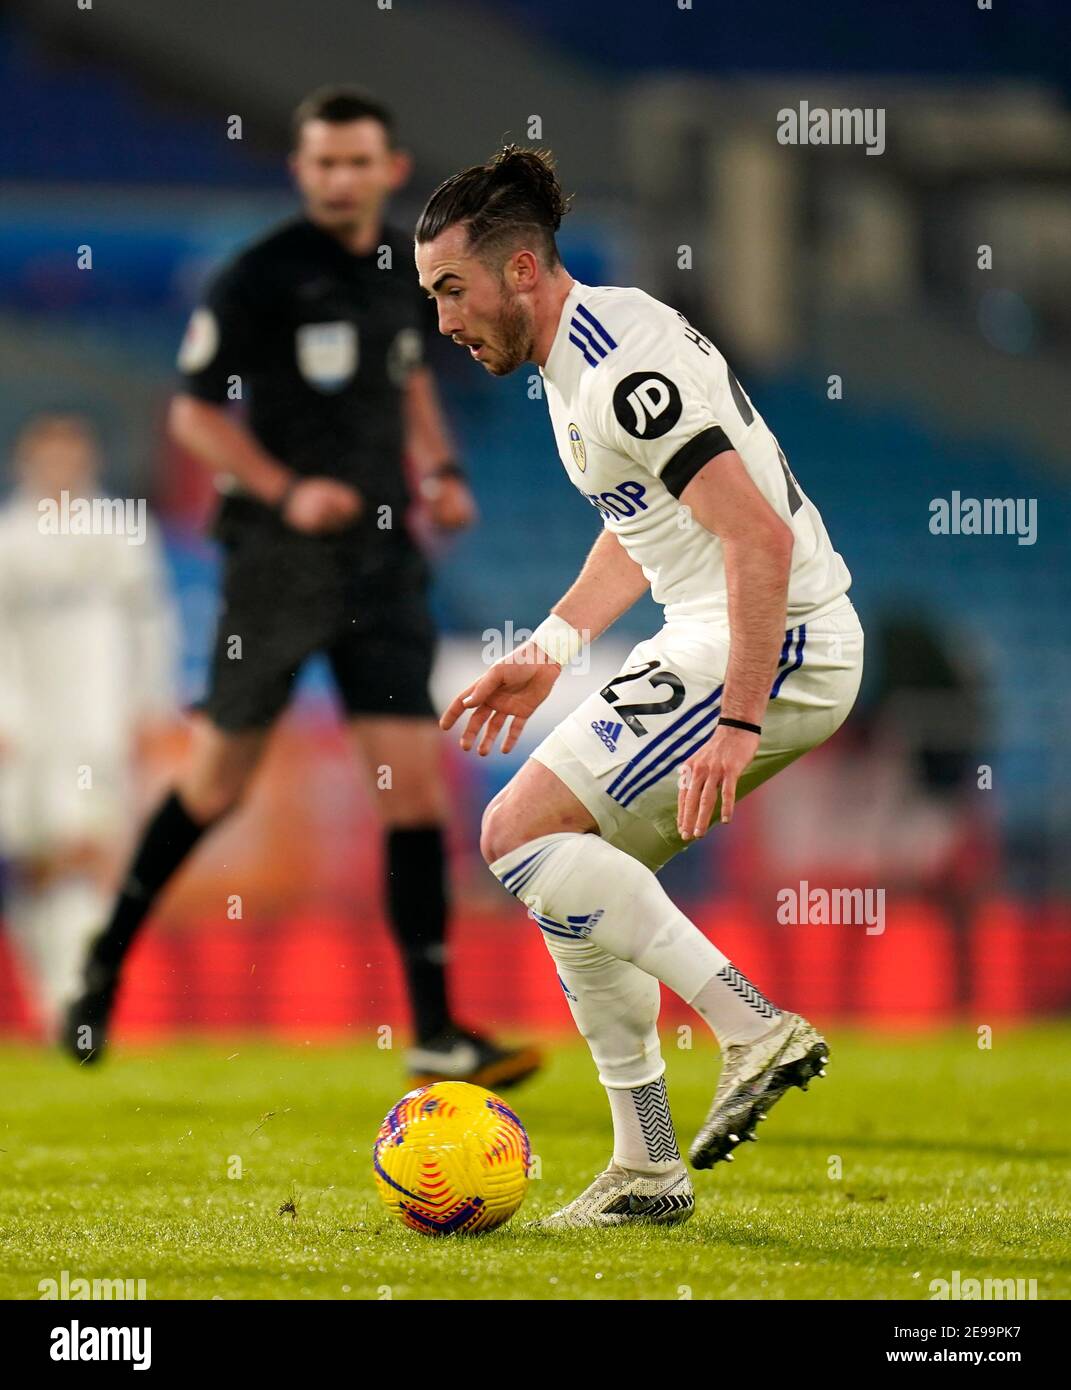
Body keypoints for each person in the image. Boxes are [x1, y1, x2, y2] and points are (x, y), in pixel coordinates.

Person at [414, 146, 865, 1229]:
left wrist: (740, 716)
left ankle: (751, 1028)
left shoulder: (621, 369)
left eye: (450, 291)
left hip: (780, 637)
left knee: (515, 833)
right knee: (564, 870)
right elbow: (647, 524)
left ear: (521, 270)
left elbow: (754, 538)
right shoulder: (582, 353)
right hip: (718, 627)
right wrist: (557, 647)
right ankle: (648, 1167)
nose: (443, 322)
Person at [62, 90, 540, 1090]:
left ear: (389, 170)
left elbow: (410, 376)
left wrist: (440, 472)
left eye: (355, 163)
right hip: (279, 562)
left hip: (380, 564)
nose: (338, 179)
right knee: (219, 781)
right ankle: (103, 967)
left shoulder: (404, 278)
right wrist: (287, 489)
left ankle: (436, 1027)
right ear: (302, 170)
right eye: (321, 163)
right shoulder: (259, 277)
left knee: (410, 787)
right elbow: (195, 416)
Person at [0, 414, 175, 1034]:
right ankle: (51, 994)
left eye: (70, 454)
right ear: (27, 462)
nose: (60, 468)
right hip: (26, 728)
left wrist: (151, 703)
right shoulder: (10, 538)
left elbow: (151, 622)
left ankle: (80, 999)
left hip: (99, 720)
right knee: (33, 858)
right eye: (47, 456)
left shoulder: (122, 533)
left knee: (90, 846)